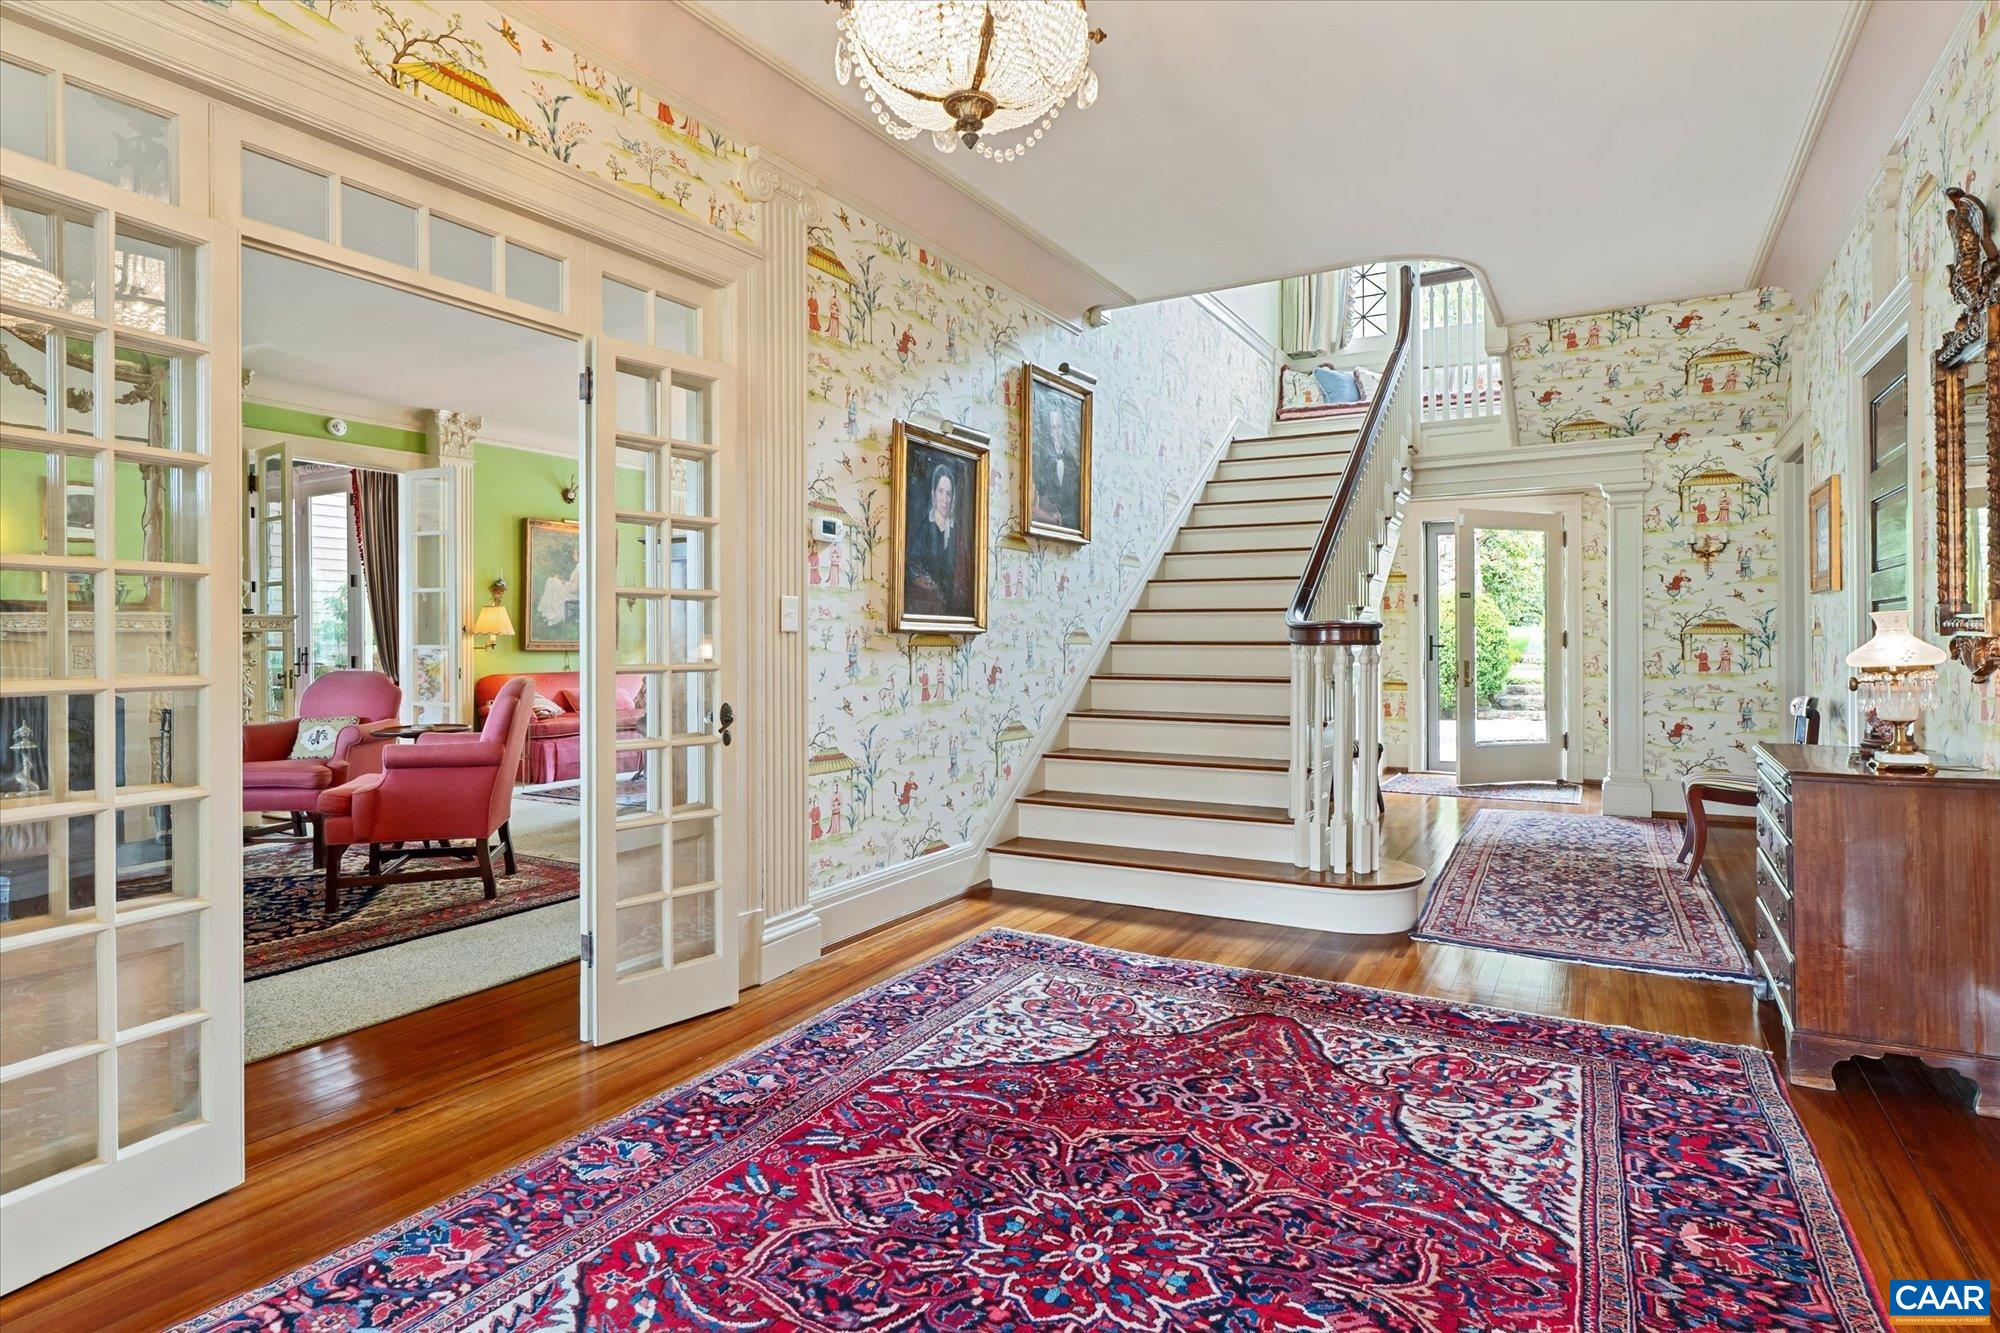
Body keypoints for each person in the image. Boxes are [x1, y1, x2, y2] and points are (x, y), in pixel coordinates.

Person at [906, 459, 964, 615]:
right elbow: (911, 564)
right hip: (930, 604)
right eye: (940, 491)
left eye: (949, 493)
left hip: (954, 610)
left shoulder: (957, 531)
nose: (945, 499)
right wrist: (919, 580)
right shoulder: (925, 528)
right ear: (933, 493)